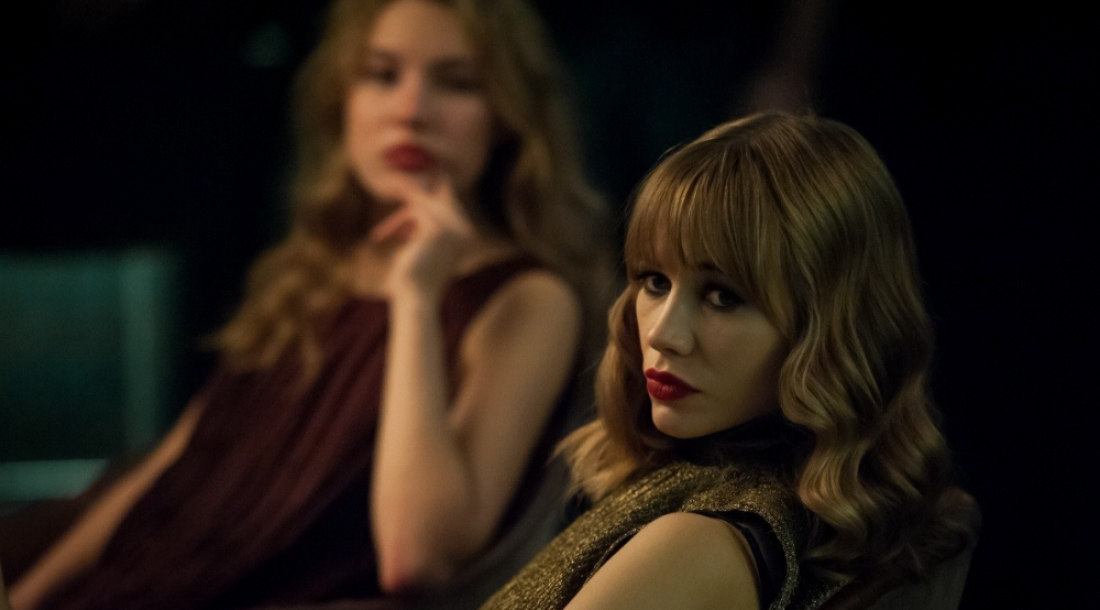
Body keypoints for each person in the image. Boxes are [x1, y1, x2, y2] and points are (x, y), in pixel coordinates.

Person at [9, 0, 611, 608]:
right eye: (381, 75)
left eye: (457, 83)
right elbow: (173, 470)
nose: (410, 111)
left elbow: (417, 557)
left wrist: (416, 298)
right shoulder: (313, 271)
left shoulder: (529, 298)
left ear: (506, 116)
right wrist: (31, 594)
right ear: (341, 103)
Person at [479, 112, 977, 610]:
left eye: (722, 296)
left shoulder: (698, 545)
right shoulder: (705, 483)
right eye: (655, 281)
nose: (663, 334)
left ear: (829, 327)